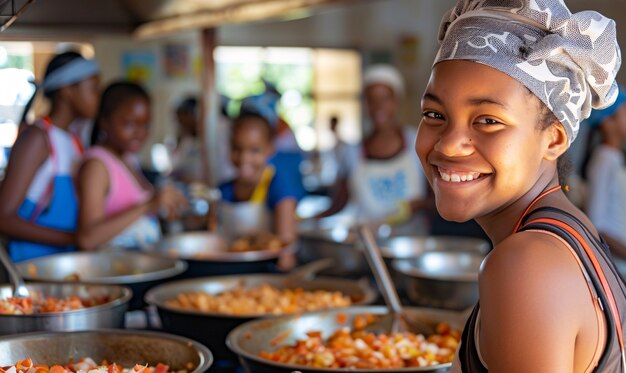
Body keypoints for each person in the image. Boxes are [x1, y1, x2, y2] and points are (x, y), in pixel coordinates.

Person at [416, 0, 626, 371]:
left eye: (487, 120)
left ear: (554, 139)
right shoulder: (567, 233)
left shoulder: (525, 264)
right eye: (435, 115)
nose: (448, 144)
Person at [0, 51, 100, 261]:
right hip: (32, 266)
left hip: (63, 264)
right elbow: (4, 218)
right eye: (93, 89)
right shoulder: (38, 139)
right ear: (67, 91)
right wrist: (73, 239)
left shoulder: (73, 140)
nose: (98, 98)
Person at [76, 82, 186, 251]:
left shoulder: (128, 158)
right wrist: (149, 205)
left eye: (146, 125)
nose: (140, 133)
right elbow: (87, 238)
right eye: (129, 124)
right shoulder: (97, 166)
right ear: (104, 121)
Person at [319, 64, 430, 226]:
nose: (379, 106)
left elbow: (438, 200)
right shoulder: (351, 153)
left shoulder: (418, 142)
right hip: (368, 244)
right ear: (365, 105)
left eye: (385, 98)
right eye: (372, 99)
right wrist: (310, 221)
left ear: (396, 101)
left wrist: (417, 205)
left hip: (412, 243)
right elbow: (339, 203)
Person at [217, 113, 302, 246]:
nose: (244, 158)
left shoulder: (279, 187)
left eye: (254, 150)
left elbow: (287, 246)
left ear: (270, 149)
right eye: (237, 149)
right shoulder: (224, 190)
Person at [583, 89, 626, 260]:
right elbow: (596, 223)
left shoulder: (614, 159)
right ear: (607, 122)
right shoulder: (603, 160)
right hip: (616, 266)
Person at [170, 96, 235, 184]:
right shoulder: (188, 139)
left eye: (183, 120)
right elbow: (179, 165)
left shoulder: (221, 128)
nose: (182, 125)